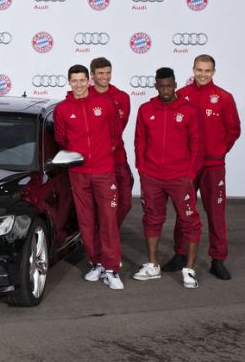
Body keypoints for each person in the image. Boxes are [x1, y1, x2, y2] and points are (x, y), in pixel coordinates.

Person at [53, 65, 124, 290]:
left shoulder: (105, 103)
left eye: (82, 80)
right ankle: (96, 263)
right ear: (69, 82)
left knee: (108, 220)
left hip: (104, 171)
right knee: (85, 221)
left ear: (89, 80)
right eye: (74, 80)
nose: (79, 84)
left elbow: (115, 133)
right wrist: (79, 158)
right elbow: (61, 139)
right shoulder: (62, 109)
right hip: (79, 173)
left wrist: (102, 155)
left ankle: (112, 268)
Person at [132, 67, 204, 289]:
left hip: (180, 177)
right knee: (152, 218)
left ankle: (189, 270)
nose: (165, 91)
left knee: (190, 220)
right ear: (156, 86)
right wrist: (142, 170)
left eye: (169, 86)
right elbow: (139, 141)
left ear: (175, 86)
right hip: (152, 177)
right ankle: (153, 265)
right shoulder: (145, 109)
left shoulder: (188, 110)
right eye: (161, 86)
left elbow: (197, 144)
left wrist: (190, 174)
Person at [172, 54, 240, 279]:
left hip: (213, 167)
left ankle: (217, 259)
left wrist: (219, 151)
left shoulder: (224, 97)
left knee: (216, 213)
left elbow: (233, 130)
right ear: (193, 70)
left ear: (213, 72)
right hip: (187, 166)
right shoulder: (181, 95)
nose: (203, 74)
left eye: (207, 71)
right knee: (184, 211)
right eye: (199, 70)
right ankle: (180, 254)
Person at [89, 57, 134, 229]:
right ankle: (103, 237)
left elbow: (120, 127)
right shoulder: (85, 95)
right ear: (92, 75)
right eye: (100, 73)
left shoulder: (122, 97)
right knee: (97, 205)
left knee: (125, 203)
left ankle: (108, 233)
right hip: (95, 161)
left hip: (117, 158)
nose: (105, 77)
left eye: (108, 73)